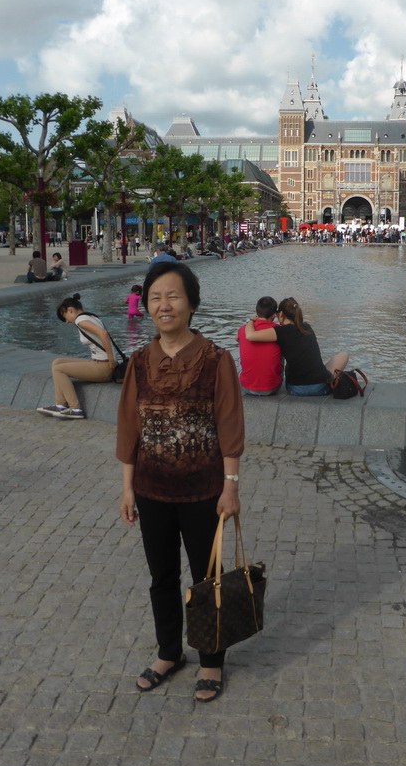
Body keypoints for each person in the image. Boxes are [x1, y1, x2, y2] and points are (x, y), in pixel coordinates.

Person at [117, 262, 244, 702]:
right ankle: (169, 651)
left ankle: (211, 659)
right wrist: (127, 486)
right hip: (152, 489)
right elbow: (129, 428)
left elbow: (229, 425)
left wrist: (231, 485)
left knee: (206, 577)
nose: (163, 305)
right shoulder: (137, 362)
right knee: (161, 576)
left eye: (173, 296)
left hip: (203, 490)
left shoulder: (215, 360)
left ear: (191, 303)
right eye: (155, 297)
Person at [244, 297, 348, 396]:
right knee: (344, 355)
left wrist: (251, 321)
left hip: (296, 389)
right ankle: (323, 377)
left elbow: (250, 336)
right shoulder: (307, 327)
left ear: (281, 314)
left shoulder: (281, 331)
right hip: (321, 387)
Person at [35, 293, 116, 419]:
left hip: (104, 367)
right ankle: (60, 405)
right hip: (99, 363)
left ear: (70, 310)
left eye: (65, 317)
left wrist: (111, 360)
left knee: (58, 369)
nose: (67, 321)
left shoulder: (80, 320)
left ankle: (75, 408)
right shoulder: (90, 316)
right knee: (57, 362)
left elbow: (103, 334)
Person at [237, 296, 282, 395]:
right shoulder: (279, 330)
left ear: (256, 312)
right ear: (274, 315)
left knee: (240, 352)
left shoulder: (242, 329)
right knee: (281, 349)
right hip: (272, 388)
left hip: (246, 387)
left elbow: (237, 339)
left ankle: (247, 378)